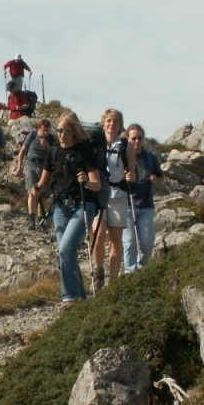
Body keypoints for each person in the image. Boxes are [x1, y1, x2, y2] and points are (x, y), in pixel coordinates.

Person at [29, 111, 102, 304]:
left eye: (67, 132)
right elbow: (44, 181)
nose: (62, 135)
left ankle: (69, 298)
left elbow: (97, 184)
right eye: (59, 131)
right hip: (60, 207)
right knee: (66, 252)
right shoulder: (53, 151)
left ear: (74, 132)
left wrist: (86, 182)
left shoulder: (84, 151)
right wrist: (37, 189)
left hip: (83, 205)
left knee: (66, 248)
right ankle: (80, 298)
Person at [90, 108, 135, 290]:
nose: (111, 124)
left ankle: (113, 281)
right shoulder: (95, 143)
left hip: (118, 195)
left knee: (116, 241)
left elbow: (132, 172)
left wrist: (131, 176)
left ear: (120, 125)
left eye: (115, 121)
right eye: (109, 120)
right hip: (99, 194)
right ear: (104, 123)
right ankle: (99, 272)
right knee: (98, 234)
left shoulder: (126, 146)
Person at [122, 123, 164, 273]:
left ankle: (142, 270)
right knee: (130, 242)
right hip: (127, 205)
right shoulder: (122, 157)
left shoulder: (150, 158)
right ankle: (130, 273)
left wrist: (155, 179)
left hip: (145, 205)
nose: (137, 141)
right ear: (128, 139)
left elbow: (161, 177)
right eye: (133, 138)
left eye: (140, 138)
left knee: (147, 243)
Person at [14, 118, 55, 228]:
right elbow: (22, 151)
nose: (45, 133)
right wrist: (19, 167)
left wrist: (48, 146)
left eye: (47, 131)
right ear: (39, 129)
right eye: (43, 130)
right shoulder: (32, 135)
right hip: (31, 165)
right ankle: (31, 219)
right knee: (32, 192)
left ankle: (41, 220)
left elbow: (55, 154)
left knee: (43, 195)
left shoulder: (51, 139)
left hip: (45, 167)